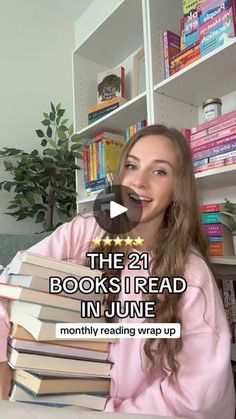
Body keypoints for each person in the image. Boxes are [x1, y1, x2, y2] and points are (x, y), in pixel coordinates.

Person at [0, 125, 235, 418]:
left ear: (178, 189)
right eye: (132, 166)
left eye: (159, 171)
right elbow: (7, 282)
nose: (139, 181)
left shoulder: (190, 274)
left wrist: (110, 412)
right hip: (54, 399)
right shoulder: (84, 231)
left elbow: (198, 395)